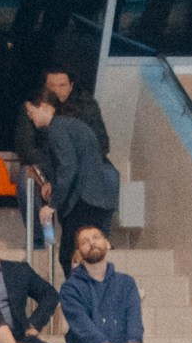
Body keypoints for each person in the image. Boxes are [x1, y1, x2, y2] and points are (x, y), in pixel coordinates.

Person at [26, 90, 121, 276]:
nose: (31, 118)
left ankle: (80, 298)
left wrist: (53, 204)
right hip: (97, 198)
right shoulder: (72, 125)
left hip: (83, 201)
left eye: (31, 112)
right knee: (90, 256)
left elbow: (68, 167)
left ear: (44, 106)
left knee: (71, 256)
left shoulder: (58, 129)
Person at [58, 225, 143, 343]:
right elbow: (81, 323)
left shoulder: (127, 283)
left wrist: (134, 341)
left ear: (107, 244)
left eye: (96, 237)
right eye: (85, 241)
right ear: (79, 253)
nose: (91, 242)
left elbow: (134, 315)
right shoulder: (70, 288)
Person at [12, 64, 108, 187]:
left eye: (62, 85)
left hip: (81, 168)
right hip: (45, 167)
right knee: (27, 175)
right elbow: (26, 146)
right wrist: (53, 169)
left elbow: (101, 143)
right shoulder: (33, 107)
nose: (57, 90)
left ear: (71, 86)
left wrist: (75, 168)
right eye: (52, 86)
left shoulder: (86, 107)